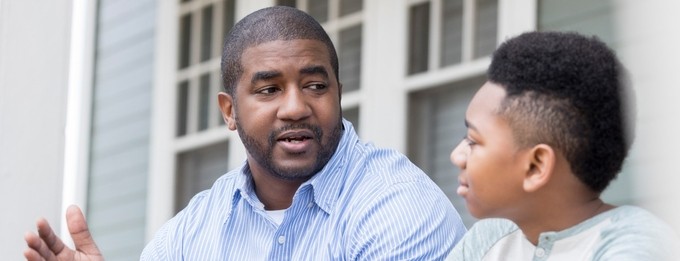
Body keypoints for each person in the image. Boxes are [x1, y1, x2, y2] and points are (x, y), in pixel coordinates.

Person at [24, 6, 466, 260]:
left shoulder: (396, 207)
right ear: (229, 110)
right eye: (269, 89)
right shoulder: (193, 231)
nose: (295, 107)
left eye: (316, 85)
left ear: (339, 93)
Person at [445, 31, 679, 260]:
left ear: (536, 166)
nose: (457, 156)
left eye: (473, 141)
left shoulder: (637, 246)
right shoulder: (491, 237)